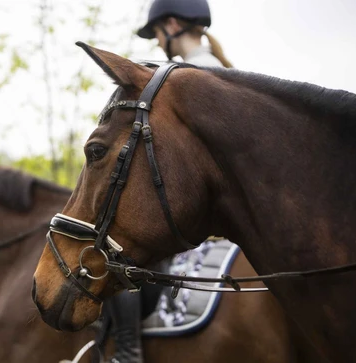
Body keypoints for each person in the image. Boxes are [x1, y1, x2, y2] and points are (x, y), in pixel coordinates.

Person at [106, 1, 233, 362]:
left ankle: (128, 352)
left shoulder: (188, 77)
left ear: (172, 25)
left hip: (205, 215)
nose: (158, 43)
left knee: (119, 251)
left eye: (157, 33)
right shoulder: (219, 70)